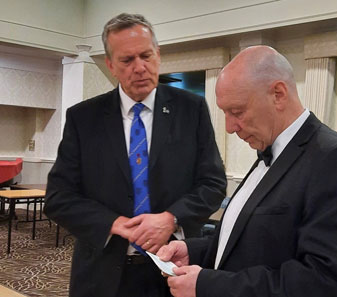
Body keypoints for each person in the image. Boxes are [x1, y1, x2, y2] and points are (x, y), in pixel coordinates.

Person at [157, 46, 337, 297]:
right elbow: (250, 241)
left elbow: (326, 283)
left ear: (278, 94)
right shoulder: (270, 150)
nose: (229, 127)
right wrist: (193, 251)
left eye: (237, 112)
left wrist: (208, 285)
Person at [44, 13, 226, 297]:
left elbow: (212, 184)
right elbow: (59, 198)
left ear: (158, 55)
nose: (139, 67)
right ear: (110, 65)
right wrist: (114, 224)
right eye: (127, 60)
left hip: (170, 270)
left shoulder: (192, 110)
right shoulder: (83, 118)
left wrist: (171, 218)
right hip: (100, 274)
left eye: (146, 56)